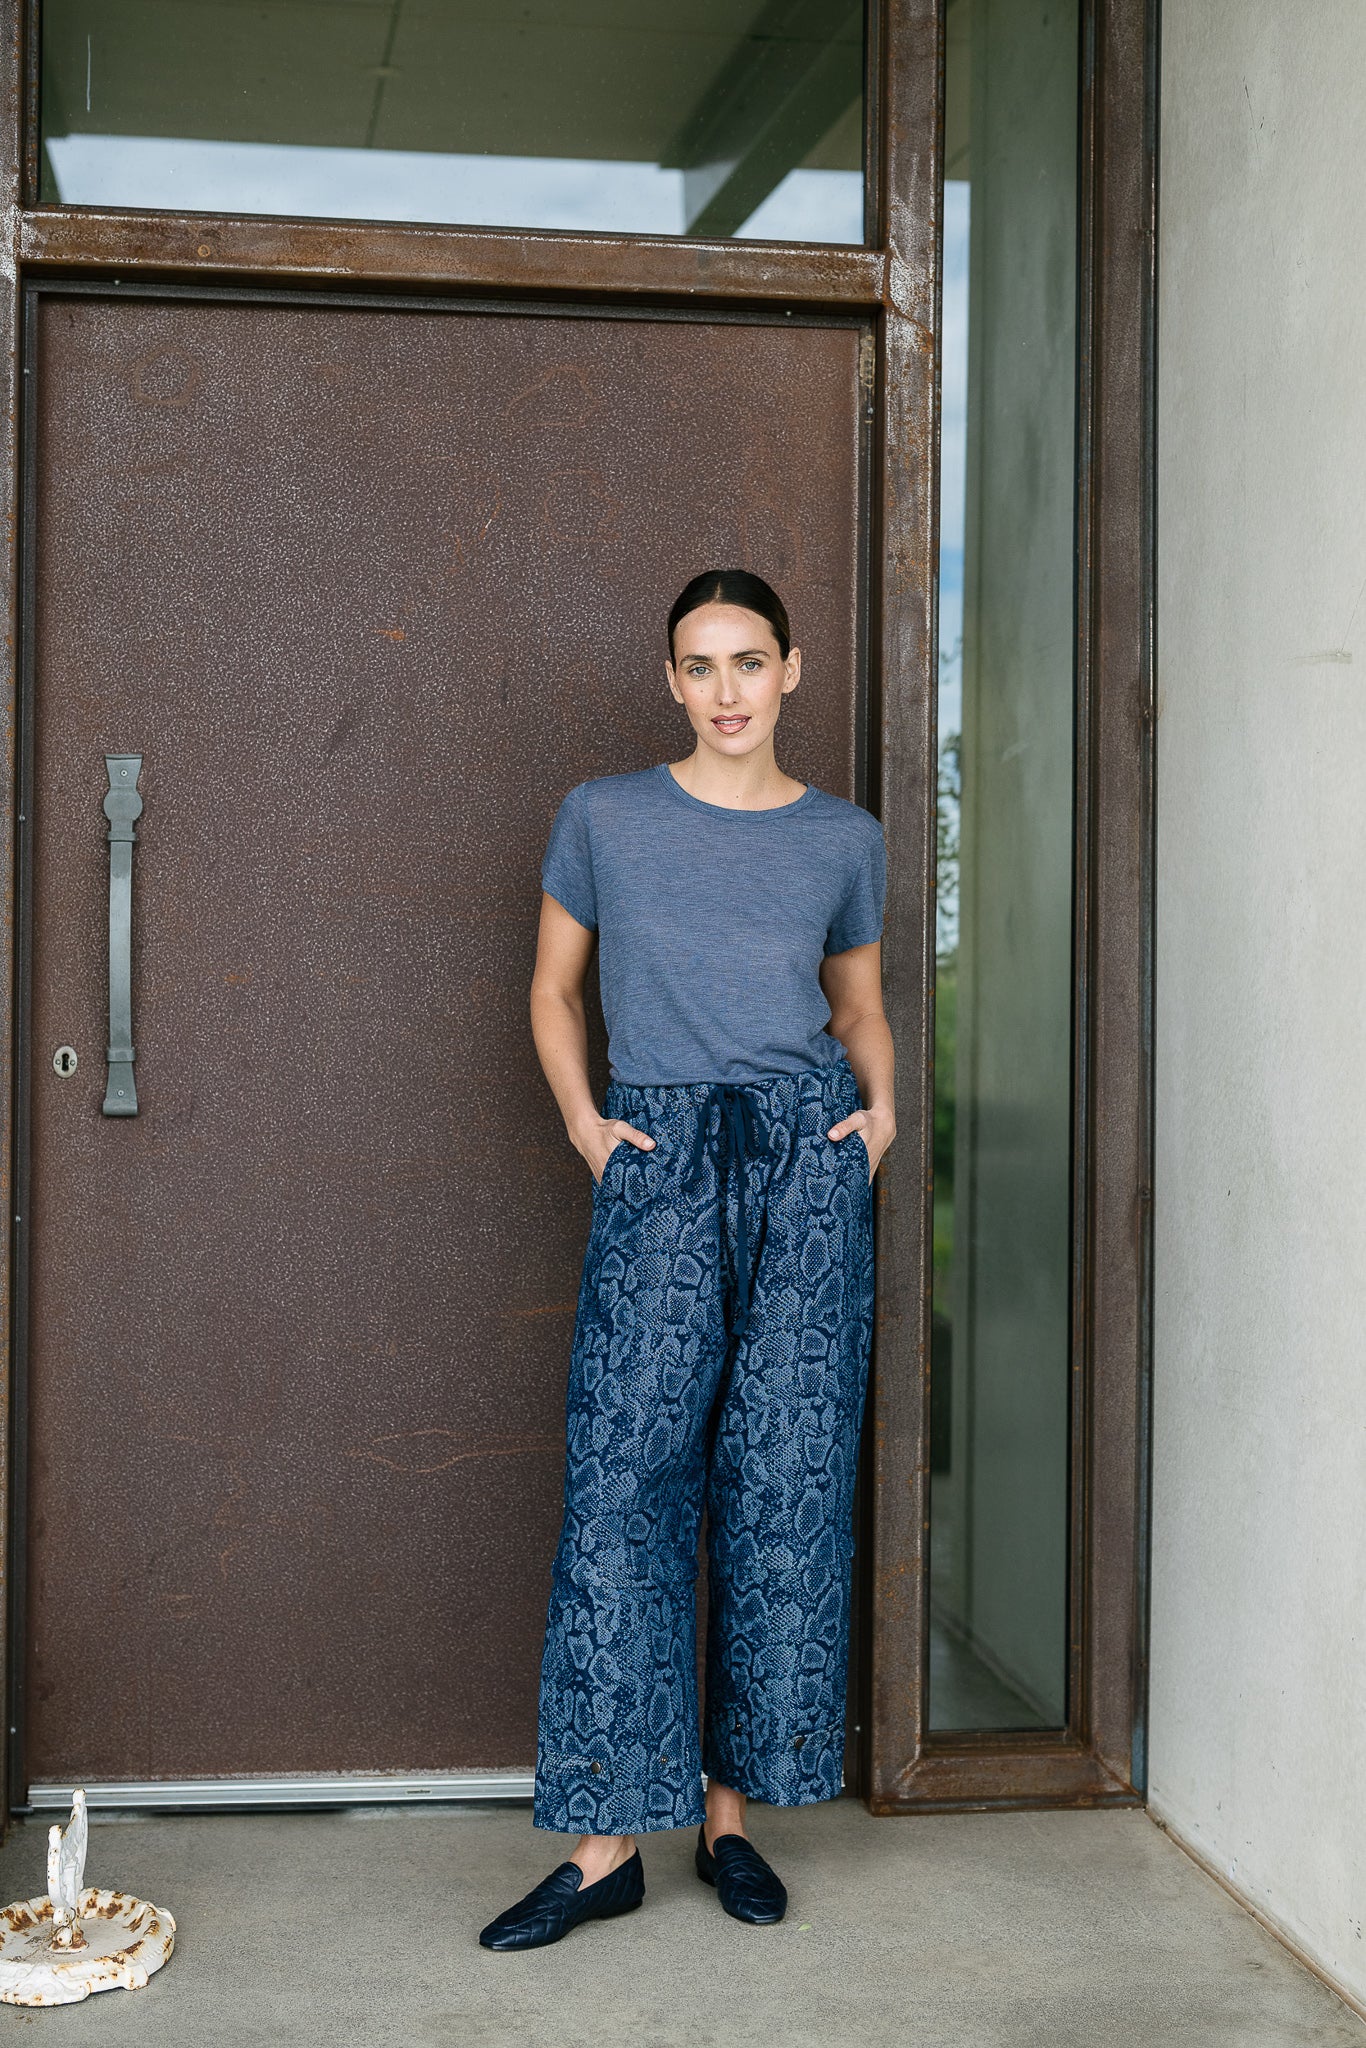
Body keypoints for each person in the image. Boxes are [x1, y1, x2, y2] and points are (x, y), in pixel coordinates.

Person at [478, 569, 894, 1951]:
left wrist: (879, 1117)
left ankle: (729, 1821)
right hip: (657, 1157)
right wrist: (588, 1127)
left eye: (748, 662)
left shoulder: (842, 838)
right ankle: (605, 1848)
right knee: (625, 1484)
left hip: (801, 1161)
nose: (726, 691)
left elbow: (857, 1008)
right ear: (671, 679)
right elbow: (552, 989)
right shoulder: (604, 818)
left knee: (779, 1490)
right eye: (700, 665)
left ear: (791, 670)